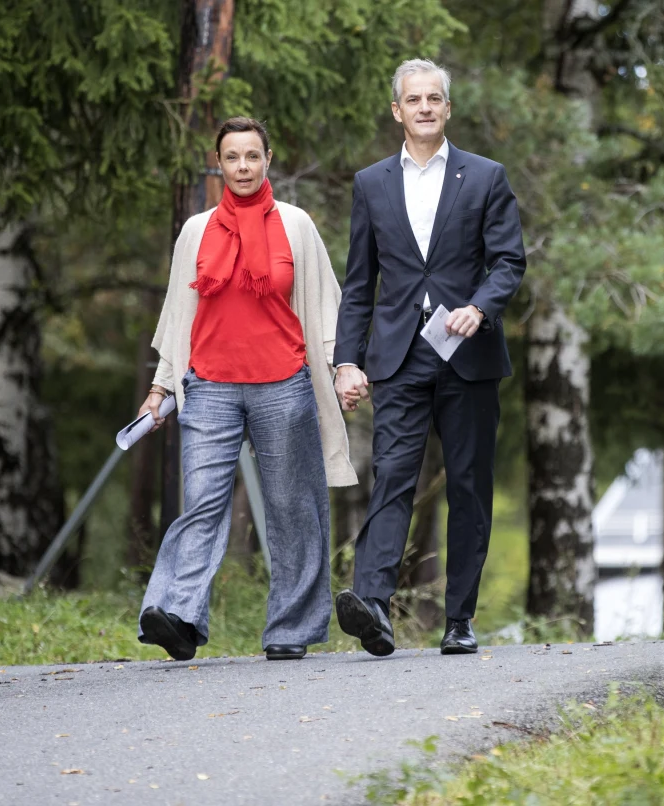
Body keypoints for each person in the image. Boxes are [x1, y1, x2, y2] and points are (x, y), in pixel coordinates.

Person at [137, 117, 357, 663]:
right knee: (202, 504)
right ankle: (179, 616)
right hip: (208, 386)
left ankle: (292, 628)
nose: (242, 167)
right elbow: (177, 316)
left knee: (293, 506)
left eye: (252, 156)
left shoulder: (296, 225)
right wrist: (161, 387)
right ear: (219, 163)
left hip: (283, 383)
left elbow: (327, 309)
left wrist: (343, 368)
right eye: (232, 157)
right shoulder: (196, 231)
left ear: (268, 159)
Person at [332, 59, 527, 657]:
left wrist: (481, 307)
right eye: (412, 99)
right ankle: (372, 606)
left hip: (467, 352)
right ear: (397, 110)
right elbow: (360, 282)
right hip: (399, 355)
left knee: (469, 485)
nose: (423, 107)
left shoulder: (486, 177)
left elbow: (509, 261)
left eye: (434, 99)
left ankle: (460, 621)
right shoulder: (371, 184)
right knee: (392, 475)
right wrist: (346, 360)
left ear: (447, 109)